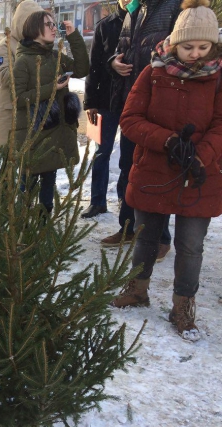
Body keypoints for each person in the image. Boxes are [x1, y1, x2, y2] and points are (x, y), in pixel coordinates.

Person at [112, 0, 222, 342]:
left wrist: (200, 155)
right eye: (188, 46)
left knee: (191, 245)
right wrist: (169, 141)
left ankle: (182, 306)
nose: (195, 54)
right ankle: (137, 289)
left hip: (198, 175)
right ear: (174, 42)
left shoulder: (218, 79)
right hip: (154, 169)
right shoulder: (153, 71)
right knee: (147, 236)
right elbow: (130, 120)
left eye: (203, 47)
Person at [101, 0, 182, 261]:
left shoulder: (173, 8)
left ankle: (160, 238)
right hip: (131, 104)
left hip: (160, 107)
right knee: (129, 167)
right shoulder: (134, 10)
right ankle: (127, 227)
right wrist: (114, 62)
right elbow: (120, 49)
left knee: (156, 171)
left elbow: (182, 55)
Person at [12, 12, 89, 213]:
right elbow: (18, 99)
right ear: (34, 29)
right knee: (26, 188)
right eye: (48, 24)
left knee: (48, 187)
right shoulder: (23, 61)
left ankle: (44, 228)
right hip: (34, 136)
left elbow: (82, 69)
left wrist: (73, 36)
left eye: (55, 24)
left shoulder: (55, 56)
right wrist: (52, 88)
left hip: (54, 134)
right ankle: (21, 232)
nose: (54, 28)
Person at [81, 0, 129, 218]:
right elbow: (94, 67)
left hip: (132, 102)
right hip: (105, 101)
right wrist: (90, 102)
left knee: (129, 156)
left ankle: (125, 200)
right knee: (101, 152)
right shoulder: (104, 26)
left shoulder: (143, 23)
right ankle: (97, 201)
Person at [0, 0, 43, 147]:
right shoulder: (4, 47)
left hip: (30, 114)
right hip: (9, 115)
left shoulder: (36, 46)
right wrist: (34, 70)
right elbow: (5, 76)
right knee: (8, 164)